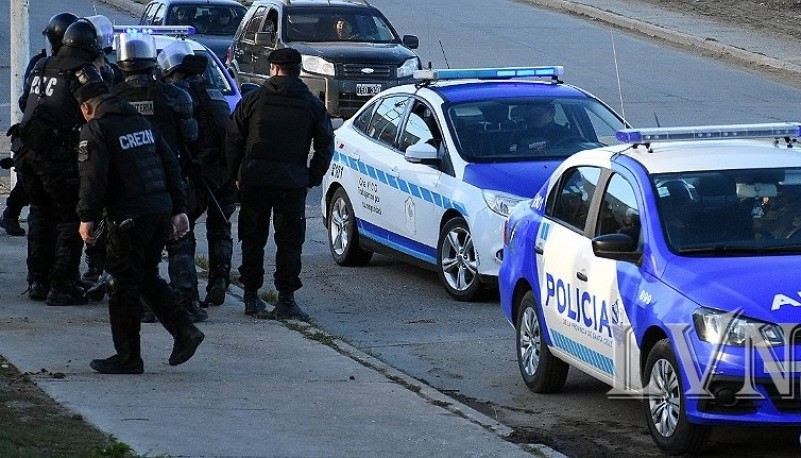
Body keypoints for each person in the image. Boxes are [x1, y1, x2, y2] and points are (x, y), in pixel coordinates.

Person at [75, 72, 204, 374]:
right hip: (158, 211)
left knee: (122, 285)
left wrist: (87, 217)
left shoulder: (96, 129)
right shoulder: (141, 123)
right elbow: (170, 163)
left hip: (128, 217)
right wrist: (178, 208)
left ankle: (128, 357)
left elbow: (93, 178)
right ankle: (185, 331)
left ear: (86, 108)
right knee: (145, 277)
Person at [226, 47, 334, 319]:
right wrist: (312, 176)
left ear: (273, 69)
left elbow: (233, 138)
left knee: (252, 238)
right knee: (289, 241)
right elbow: (325, 145)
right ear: (298, 70)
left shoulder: (254, 99)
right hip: (291, 184)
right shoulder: (311, 103)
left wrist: (236, 174)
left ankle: (251, 296)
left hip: (255, 181)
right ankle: (285, 300)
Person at [111, 33, 206, 323]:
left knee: (134, 248)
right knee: (180, 243)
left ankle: (141, 304)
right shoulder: (174, 96)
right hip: (168, 178)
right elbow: (191, 137)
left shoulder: (112, 98)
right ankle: (187, 303)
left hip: (128, 187)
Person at [15, 17, 103, 306]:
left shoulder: (42, 65)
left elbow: (23, 102)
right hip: (57, 154)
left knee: (41, 213)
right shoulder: (81, 71)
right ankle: (63, 284)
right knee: (70, 216)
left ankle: (38, 280)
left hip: (27, 152)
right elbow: (97, 110)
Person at [157, 41, 237, 307]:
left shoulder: (177, 93)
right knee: (220, 228)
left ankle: (186, 287)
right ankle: (219, 280)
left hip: (194, 173)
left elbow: (180, 138)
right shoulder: (214, 92)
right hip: (223, 172)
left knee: (182, 231)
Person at [2, 12, 78, 238]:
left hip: (46, 136)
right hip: (39, 134)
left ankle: (12, 214)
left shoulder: (61, 65)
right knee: (37, 185)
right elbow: (26, 99)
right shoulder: (41, 63)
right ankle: (10, 214)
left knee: (35, 181)